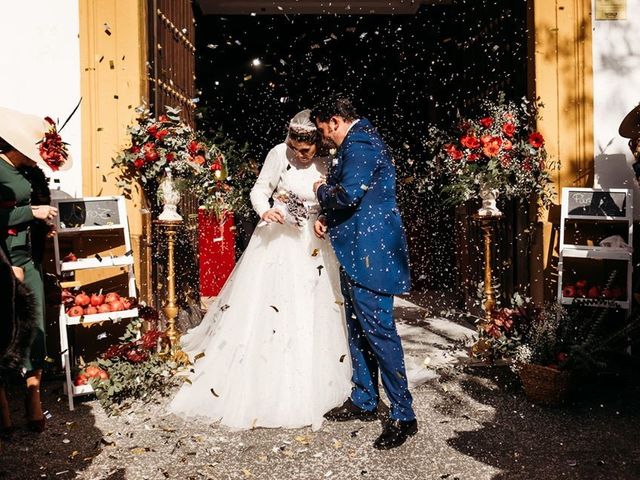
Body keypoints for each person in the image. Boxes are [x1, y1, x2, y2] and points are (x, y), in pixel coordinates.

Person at [168, 110, 352, 430]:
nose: (298, 154)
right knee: (270, 308)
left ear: (316, 144)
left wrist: (325, 218)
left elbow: (333, 199)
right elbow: (259, 189)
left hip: (313, 241)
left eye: (304, 150)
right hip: (278, 240)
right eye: (294, 148)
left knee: (316, 306)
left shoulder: (329, 160)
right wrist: (265, 210)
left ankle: (316, 378)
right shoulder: (278, 154)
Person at [310, 97, 417, 450]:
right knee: (357, 326)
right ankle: (365, 399)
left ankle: (404, 415)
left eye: (324, 129)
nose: (323, 136)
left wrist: (320, 191)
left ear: (337, 120)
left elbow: (348, 194)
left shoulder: (361, 144)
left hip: (371, 254)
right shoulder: (360, 142)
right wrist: (328, 217)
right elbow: (358, 201)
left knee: (379, 332)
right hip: (358, 250)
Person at [0, 106, 69, 433]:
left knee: (37, 324)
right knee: (4, 327)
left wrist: (41, 226)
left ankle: (33, 397)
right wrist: (32, 212)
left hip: (27, 256)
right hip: (3, 257)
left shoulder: (28, 175)